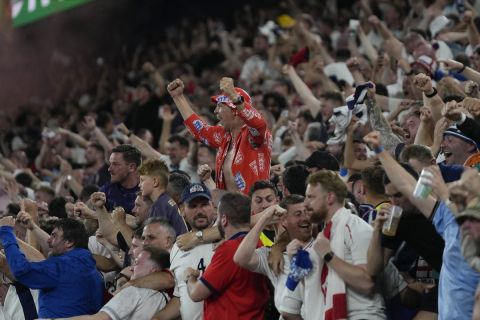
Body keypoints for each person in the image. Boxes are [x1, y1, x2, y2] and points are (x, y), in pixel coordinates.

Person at [364, 130, 480, 319]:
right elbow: (407, 187)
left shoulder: (460, 223)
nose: (454, 190)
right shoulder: (449, 221)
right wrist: (380, 151)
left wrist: (442, 191)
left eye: (460, 190)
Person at [282, 170, 385, 319]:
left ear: (330, 197)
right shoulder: (323, 239)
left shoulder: (356, 227)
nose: (305, 203)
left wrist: (329, 255)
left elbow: (367, 283)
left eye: (311, 197)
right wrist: (295, 264)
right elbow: (296, 303)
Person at [167, 77, 272, 194]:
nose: (215, 111)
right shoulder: (224, 136)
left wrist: (234, 96)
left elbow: (259, 124)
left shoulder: (253, 135)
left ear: (235, 110)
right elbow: (199, 130)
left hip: (256, 208)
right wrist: (178, 97)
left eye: (220, 106)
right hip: (230, 208)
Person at [183, 192, 269, 319]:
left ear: (224, 219)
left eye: (218, 217)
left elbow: (197, 294)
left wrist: (190, 277)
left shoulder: (228, 250)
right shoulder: (258, 243)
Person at [0, 217, 103, 318]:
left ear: (69, 242)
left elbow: (21, 270)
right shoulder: (87, 265)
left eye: (54, 236)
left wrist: (6, 232)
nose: (48, 240)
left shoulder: (65, 266)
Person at [234, 194, 313, 318]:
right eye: (298, 214)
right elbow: (241, 258)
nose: (305, 218)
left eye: (307, 213)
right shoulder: (274, 256)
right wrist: (264, 219)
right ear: (284, 221)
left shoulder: (322, 246)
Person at [154, 183, 216, 320]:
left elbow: (244, 225)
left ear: (214, 207)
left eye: (204, 205)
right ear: (181, 209)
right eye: (193, 206)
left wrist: (197, 237)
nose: (199, 211)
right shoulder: (177, 247)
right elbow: (180, 296)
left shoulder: (225, 234)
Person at [64, 246, 171, 320]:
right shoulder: (167, 299)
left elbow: (99, 319)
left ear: (153, 270)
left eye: (137, 263)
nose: (132, 268)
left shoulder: (134, 291)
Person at [137, 158, 187, 236]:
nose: (139, 185)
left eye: (142, 180)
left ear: (155, 182)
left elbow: (157, 242)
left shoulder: (160, 206)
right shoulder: (165, 201)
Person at [100, 144, 141, 213]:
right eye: (110, 163)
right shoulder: (107, 189)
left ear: (131, 167)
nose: (109, 169)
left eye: (115, 164)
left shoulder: (146, 192)